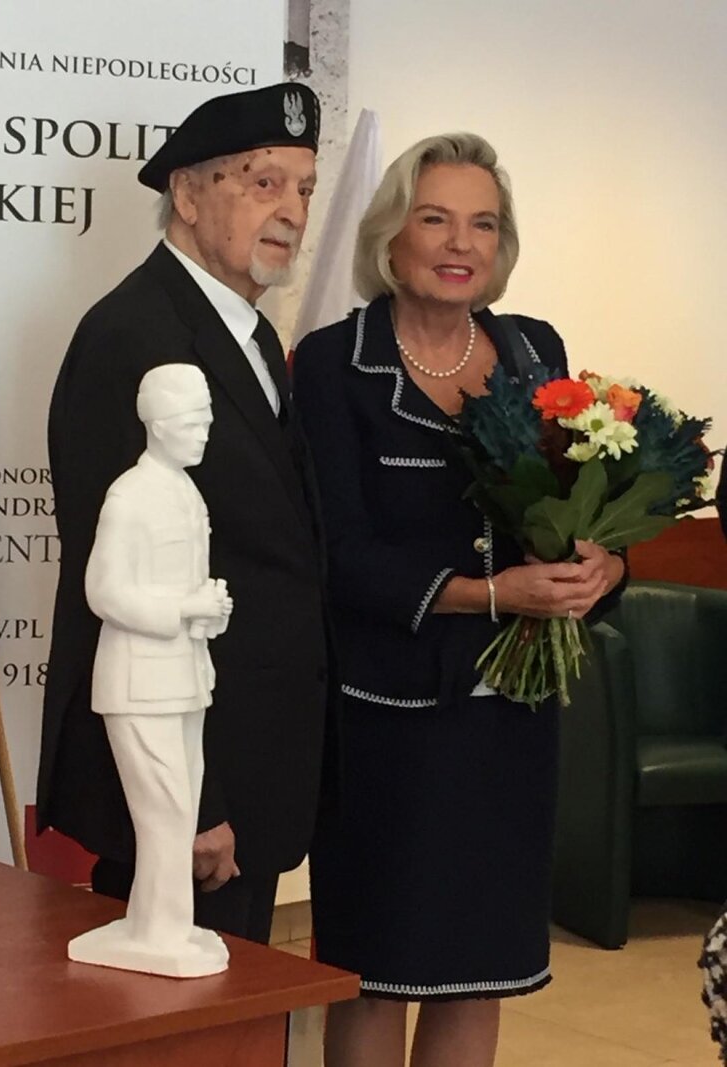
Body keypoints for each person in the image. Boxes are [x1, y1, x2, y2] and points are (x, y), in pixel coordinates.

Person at [293, 133, 626, 1067]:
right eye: (434, 217)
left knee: (482, 969)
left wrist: (601, 569)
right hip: (389, 721)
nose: (459, 242)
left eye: (482, 223)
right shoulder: (331, 363)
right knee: (376, 968)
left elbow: (577, 503)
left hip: (508, 723)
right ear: (392, 235)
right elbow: (340, 555)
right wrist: (488, 593)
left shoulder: (536, 350)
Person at [37, 83, 331, 946]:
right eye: (263, 181)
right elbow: (116, 588)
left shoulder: (243, 334)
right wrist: (191, 804)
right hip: (187, 782)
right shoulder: (132, 337)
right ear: (189, 193)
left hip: (248, 765)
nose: (291, 211)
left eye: (305, 188)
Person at [69, 364, 231, 976]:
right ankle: (160, 930)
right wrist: (182, 608)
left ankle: (162, 924)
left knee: (179, 810)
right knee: (162, 813)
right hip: (139, 681)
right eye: (194, 421)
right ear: (159, 425)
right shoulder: (130, 496)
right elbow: (104, 592)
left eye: (207, 419)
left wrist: (203, 613)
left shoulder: (187, 492)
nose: (205, 432)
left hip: (184, 673)